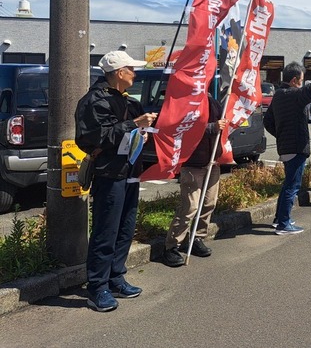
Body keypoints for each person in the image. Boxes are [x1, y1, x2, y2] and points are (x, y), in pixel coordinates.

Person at [75, 51, 157, 312]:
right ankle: (97, 287)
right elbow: (95, 137)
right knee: (105, 230)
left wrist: (142, 133)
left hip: (130, 170)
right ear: (119, 72)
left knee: (125, 228)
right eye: (132, 69)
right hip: (109, 173)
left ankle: (116, 277)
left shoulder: (129, 101)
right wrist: (133, 124)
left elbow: (133, 131)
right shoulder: (93, 101)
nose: (135, 73)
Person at [263, 62, 311, 235]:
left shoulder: (278, 95)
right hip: (296, 146)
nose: (303, 83)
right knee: (292, 185)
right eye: (301, 80)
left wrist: (281, 135)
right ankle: (284, 224)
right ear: (294, 81)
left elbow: (267, 121)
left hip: (286, 146)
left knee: (287, 184)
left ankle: (279, 219)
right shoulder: (294, 95)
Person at [162, 95, 227, 267]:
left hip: (212, 161)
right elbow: (182, 128)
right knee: (189, 206)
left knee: (209, 204)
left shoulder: (214, 101)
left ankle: (197, 238)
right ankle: (172, 246)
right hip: (192, 162)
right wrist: (212, 127)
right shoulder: (187, 101)